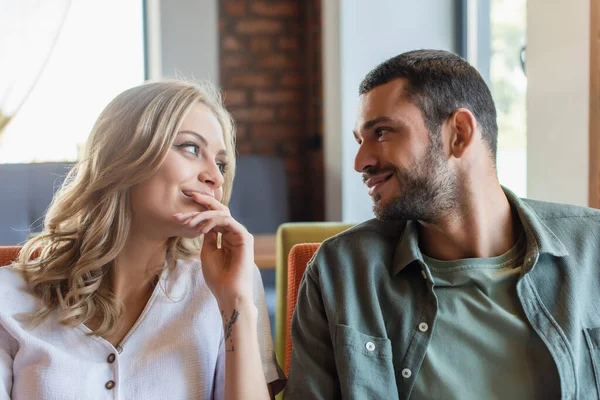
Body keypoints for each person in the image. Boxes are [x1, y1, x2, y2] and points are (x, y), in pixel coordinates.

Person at [285, 49, 600, 399]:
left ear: (459, 134)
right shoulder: (340, 273)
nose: (361, 161)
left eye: (382, 132)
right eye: (360, 141)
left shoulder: (593, 248)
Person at [0, 81, 285, 399]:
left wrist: (237, 304)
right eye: (191, 148)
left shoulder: (231, 285)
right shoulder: (7, 298)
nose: (216, 177)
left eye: (221, 164)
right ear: (124, 154)